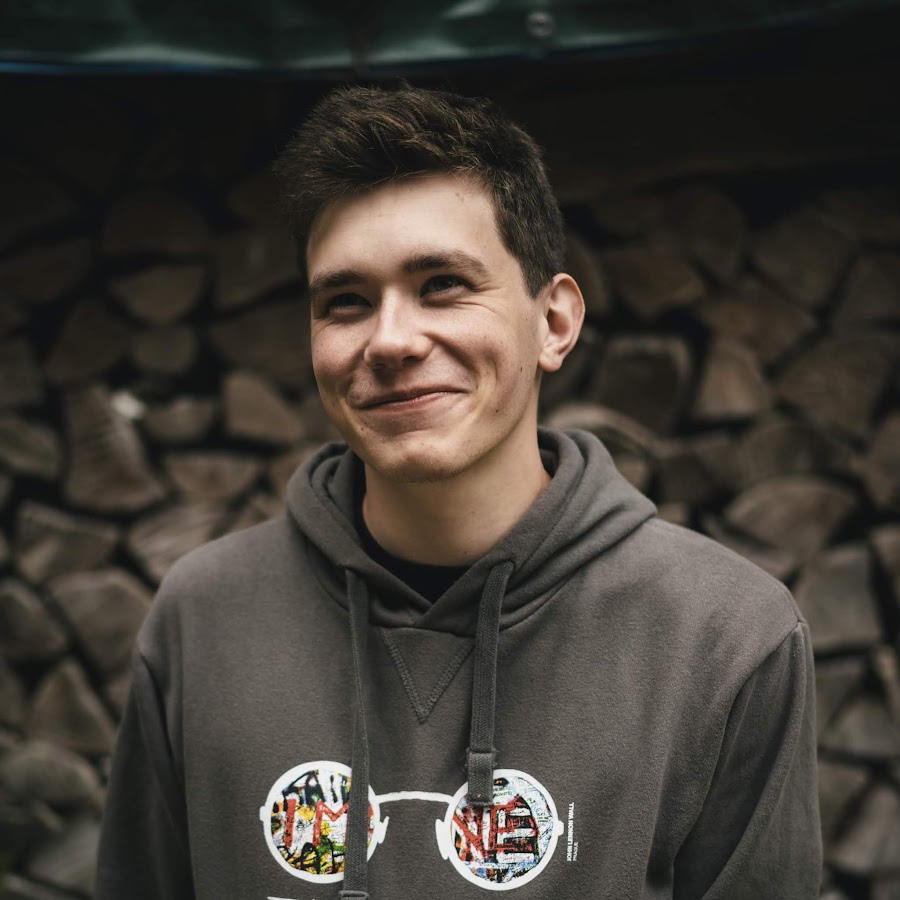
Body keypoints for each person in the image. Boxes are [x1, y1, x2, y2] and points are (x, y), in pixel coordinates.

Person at [96, 84, 821, 900]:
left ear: (555, 322)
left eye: (442, 283)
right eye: (345, 302)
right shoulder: (203, 615)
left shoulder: (727, 636)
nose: (391, 340)